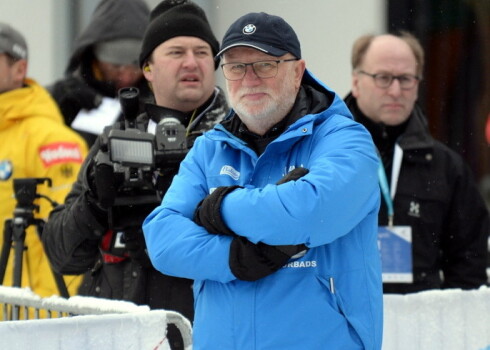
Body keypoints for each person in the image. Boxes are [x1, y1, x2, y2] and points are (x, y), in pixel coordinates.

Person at [143, 12, 383, 350]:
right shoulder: (209, 148)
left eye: (265, 64)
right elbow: (162, 240)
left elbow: (311, 211)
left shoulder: (345, 140)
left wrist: (220, 208)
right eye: (236, 67)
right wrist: (234, 259)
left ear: (298, 71)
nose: (249, 78)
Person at [41, 1, 228, 349]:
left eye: (202, 51)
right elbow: (63, 256)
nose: (191, 61)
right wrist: (95, 205)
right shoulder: (118, 140)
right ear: (148, 69)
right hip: (114, 332)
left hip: (205, 332)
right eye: (176, 51)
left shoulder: (240, 142)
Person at [344, 32, 490, 294]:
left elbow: (470, 266)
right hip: (340, 323)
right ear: (356, 82)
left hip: (422, 325)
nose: (396, 90)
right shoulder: (326, 157)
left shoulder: (446, 168)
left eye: (406, 79)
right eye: (383, 78)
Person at [0, 22, 88, 299]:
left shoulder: (52, 141)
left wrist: (50, 323)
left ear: (19, 69)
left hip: (26, 320)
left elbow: (69, 240)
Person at [47, 0, 152, 147]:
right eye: (116, 67)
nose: (126, 76)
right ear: (94, 58)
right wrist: (58, 114)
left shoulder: (166, 102)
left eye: (136, 67)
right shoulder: (57, 98)